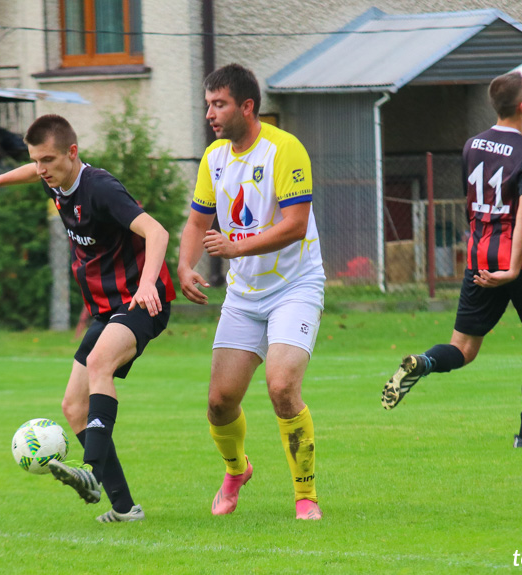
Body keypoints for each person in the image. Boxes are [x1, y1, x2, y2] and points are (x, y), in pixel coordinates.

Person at [0, 114, 176, 521]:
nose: (42, 170)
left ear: (72, 153)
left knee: (99, 364)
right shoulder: (55, 176)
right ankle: (125, 509)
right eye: (37, 161)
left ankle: (90, 469)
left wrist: (148, 285)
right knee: (73, 405)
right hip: (107, 308)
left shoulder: (100, 188)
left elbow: (158, 232)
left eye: (49, 160)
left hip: (141, 301)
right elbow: (31, 171)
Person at [178, 64, 326, 520]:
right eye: (208, 105)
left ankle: (305, 495)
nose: (211, 114)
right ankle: (236, 470)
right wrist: (184, 265)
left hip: (295, 287)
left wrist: (235, 245)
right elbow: (198, 222)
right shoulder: (215, 158)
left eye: (219, 104)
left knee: (282, 386)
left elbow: (295, 226)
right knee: (220, 403)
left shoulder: (284, 150)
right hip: (245, 295)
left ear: (246, 106)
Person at [382, 71, 522, 448]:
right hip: (520, 261)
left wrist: (482, 248)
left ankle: (425, 362)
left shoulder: (471, 145)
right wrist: (511, 268)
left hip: (479, 255)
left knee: (462, 348)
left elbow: (472, 204)